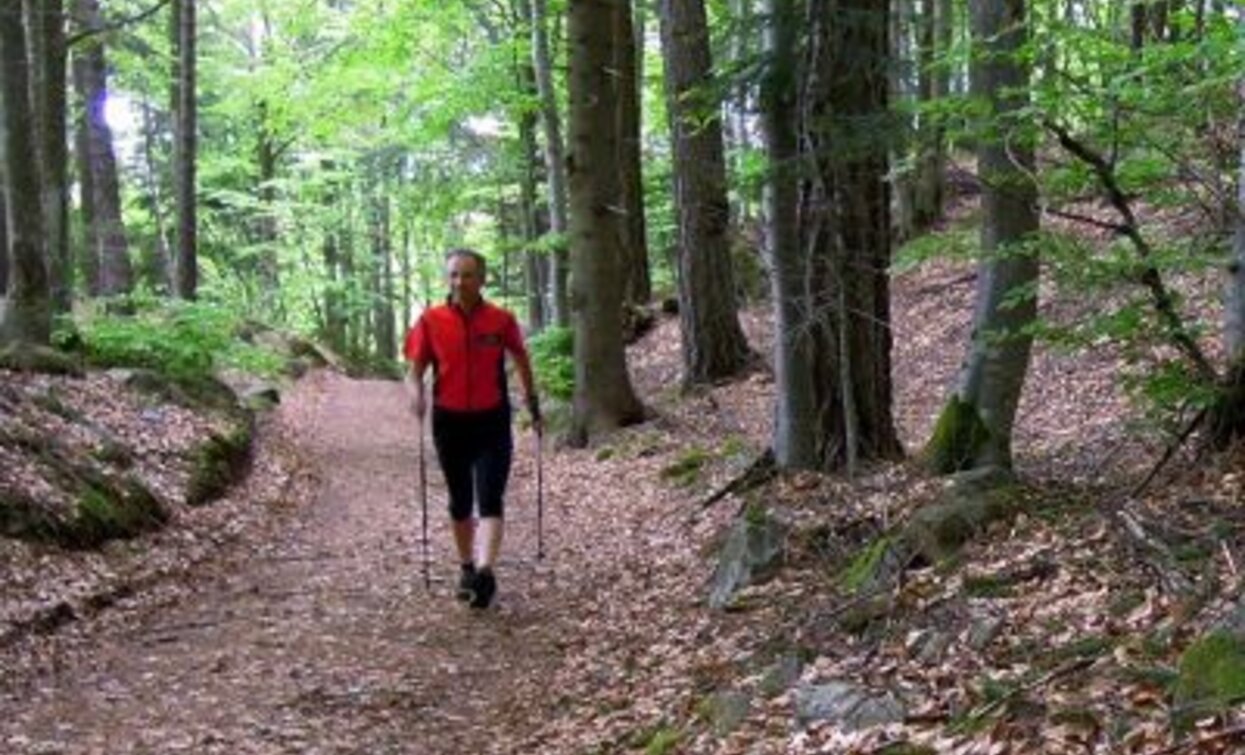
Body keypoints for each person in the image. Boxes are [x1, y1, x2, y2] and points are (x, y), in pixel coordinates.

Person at [404, 248, 542, 609]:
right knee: (460, 499)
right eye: (453, 275)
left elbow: (521, 358)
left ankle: (485, 570)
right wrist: (416, 396)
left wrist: (532, 400)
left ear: (481, 279)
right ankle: (467, 565)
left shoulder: (500, 319)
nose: (459, 282)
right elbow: (415, 372)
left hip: (492, 420)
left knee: (491, 496)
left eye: (466, 275)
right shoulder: (431, 320)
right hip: (449, 422)